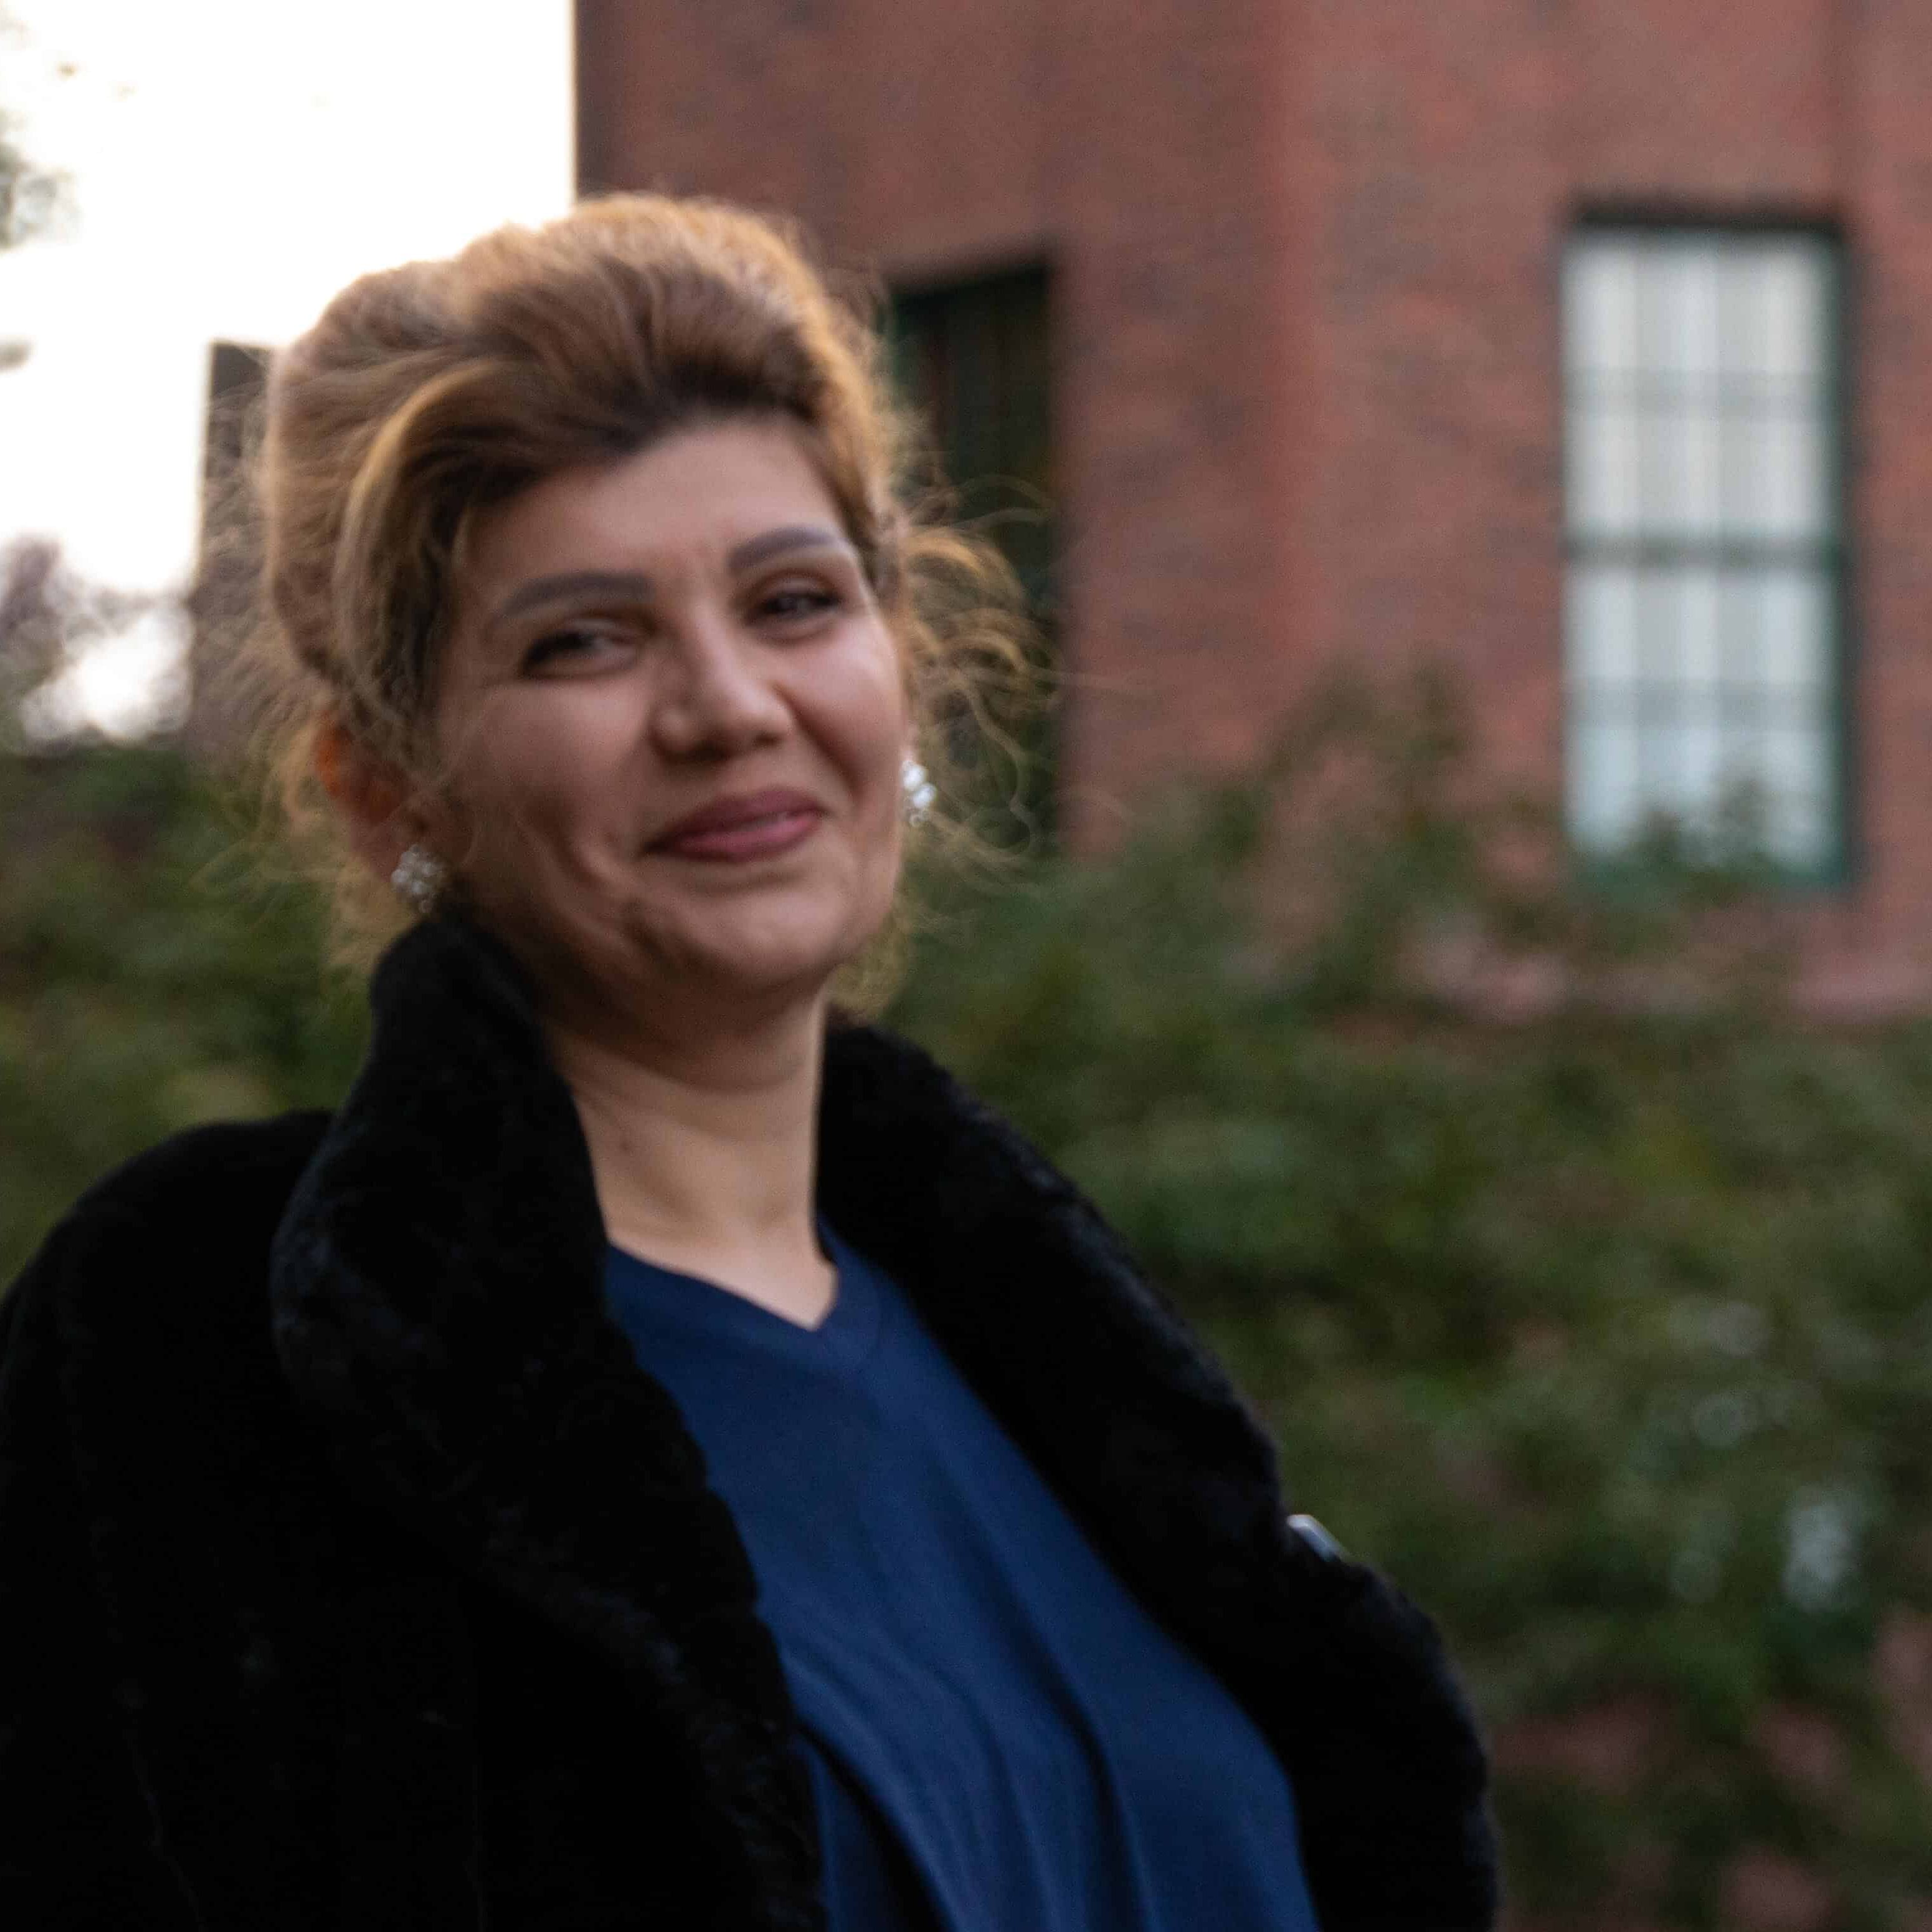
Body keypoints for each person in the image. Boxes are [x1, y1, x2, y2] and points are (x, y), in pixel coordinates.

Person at [0, 195, 1497, 1931]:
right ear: (388, 788)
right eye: (585, 639)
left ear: (898, 670)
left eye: (793, 601)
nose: (726, 705)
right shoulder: (199, 1348)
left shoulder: (1061, 1370)